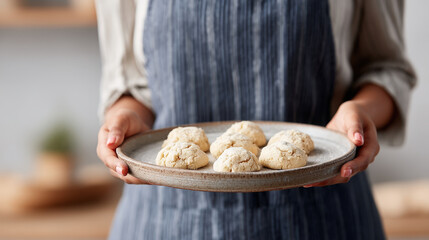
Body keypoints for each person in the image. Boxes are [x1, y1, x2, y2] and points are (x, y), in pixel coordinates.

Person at [96, 0, 416, 239]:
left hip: (324, 214)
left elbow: (386, 68)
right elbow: (128, 83)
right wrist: (123, 117)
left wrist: (361, 112)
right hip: (164, 220)